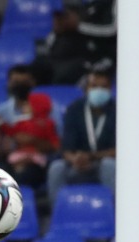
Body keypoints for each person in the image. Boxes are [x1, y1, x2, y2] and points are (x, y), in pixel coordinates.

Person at [47, 64, 116, 202]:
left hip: (103, 163)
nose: (99, 90)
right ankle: (57, 213)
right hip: (76, 163)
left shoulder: (117, 110)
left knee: (109, 165)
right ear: (86, 90)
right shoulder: (74, 109)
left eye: (103, 87)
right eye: (94, 86)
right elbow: (66, 147)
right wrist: (75, 159)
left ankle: (114, 212)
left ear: (110, 89)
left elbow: (119, 150)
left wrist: (90, 156)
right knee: (56, 168)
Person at [0, 91, 59, 190]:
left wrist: (33, 140)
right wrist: (1, 124)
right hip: (17, 157)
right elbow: (11, 131)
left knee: (22, 177)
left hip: (36, 160)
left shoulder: (48, 124)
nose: (24, 106)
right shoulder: (20, 122)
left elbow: (55, 145)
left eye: (28, 104)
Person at [33, 0, 95, 86]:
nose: (58, 21)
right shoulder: (54, 36)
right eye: (56, 18)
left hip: (74, 66)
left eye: (64, 17)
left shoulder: (87, 32)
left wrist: (79, 26)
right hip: (54, 64)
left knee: (62, 74)